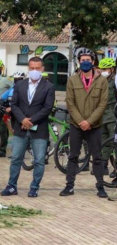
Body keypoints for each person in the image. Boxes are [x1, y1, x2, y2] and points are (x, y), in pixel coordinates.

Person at [0, 57, 55, 198]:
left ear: (42, 69)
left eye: (37, 68)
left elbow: (47, 107)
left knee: (39, 160)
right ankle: (12, 186)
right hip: (21, 128)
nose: (34, 71)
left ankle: (35, 187)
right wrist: (23, 119)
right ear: (28, 69)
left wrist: (32, 120)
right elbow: (14, 105)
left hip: (39, 129)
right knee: (16, 158)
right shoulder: (20, 85)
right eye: (32, 68)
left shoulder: (49, 87)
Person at [60, 48, 109, 198]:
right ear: (79, 62)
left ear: (93, 62)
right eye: (83, 60)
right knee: (73, 156)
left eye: (88, 60)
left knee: (97, 157)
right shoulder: (72, 80)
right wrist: (81, 121)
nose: (85, 62)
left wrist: (89, 121)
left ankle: (100, 186)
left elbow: (103, 103)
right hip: (76, 125)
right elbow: (70, 102)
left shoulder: (102, 81)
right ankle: (69, 186)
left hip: (95, 126)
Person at [98, 58, 116, 177]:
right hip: (102, 116)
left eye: (105, 69)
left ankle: (116, 169)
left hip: (113, 116)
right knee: (105, 142)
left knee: (115, 142)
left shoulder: (115, 81)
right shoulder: (100, 81)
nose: (103, 71)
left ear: (111, 69)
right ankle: (103, 166)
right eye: (101, 69)